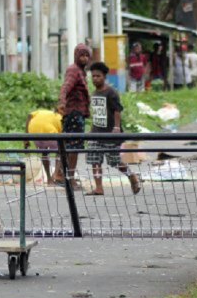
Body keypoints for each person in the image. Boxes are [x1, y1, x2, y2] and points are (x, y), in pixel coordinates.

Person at [85, 62, 141, 196]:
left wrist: (116, 127)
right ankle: (99, 187)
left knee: (114, 161)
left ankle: (131, 176)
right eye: (93, 76)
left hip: (110, 133)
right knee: (95, 160)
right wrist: (92, 129)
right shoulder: (94, 93)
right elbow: (97, 113)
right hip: (96, 133)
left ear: (104, 76)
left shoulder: (111, 92)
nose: (95, 79)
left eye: (98, 76)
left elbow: (117, 110)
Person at [56, 43, 92, 189]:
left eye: (87, 56)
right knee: (73, 147)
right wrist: (61, 102)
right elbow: (65, 87)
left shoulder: (80, 71)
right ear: (76, 56)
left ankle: (60, 175)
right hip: (74, 113)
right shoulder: (74, 70)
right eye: (82, 55)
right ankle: (69, 179)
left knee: (66, 145)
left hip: (76, 113)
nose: (85, 58)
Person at [24, 107, 63, 186]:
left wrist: (26, 138)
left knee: (44, 153)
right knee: (61, 151)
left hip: (34, 130)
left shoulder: (41, 112)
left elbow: (29, 116)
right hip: (49, 131)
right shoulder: (61, 118)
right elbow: (63, 137)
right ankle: (56, 175)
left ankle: (49, 180)